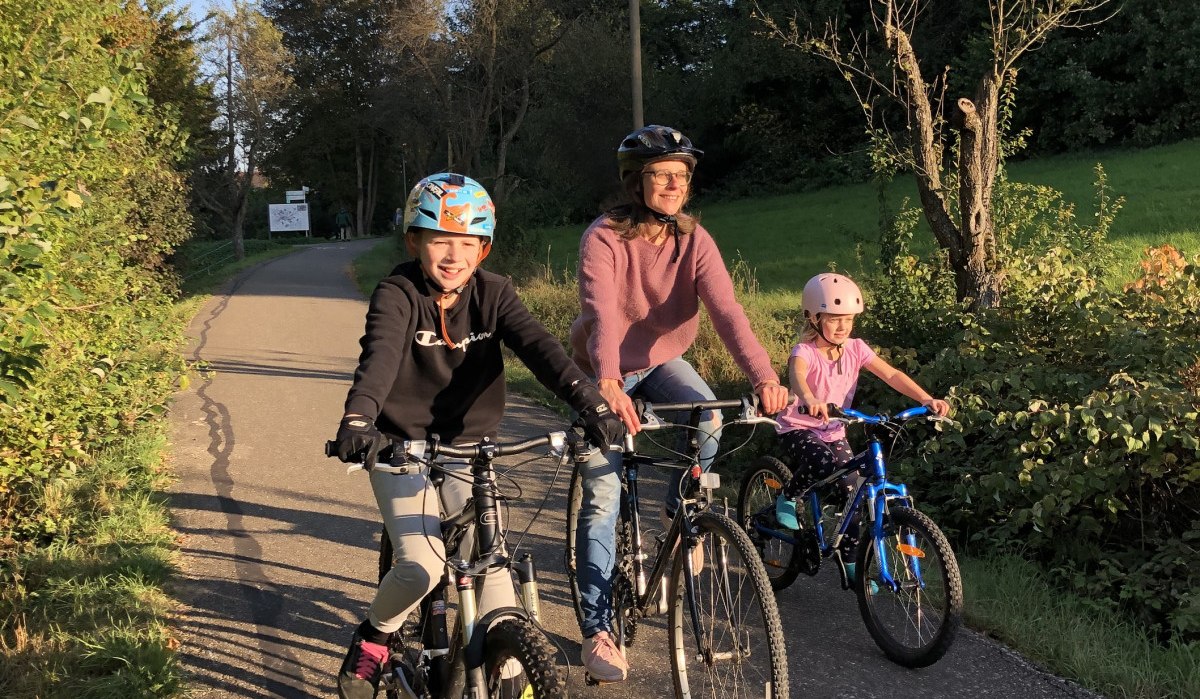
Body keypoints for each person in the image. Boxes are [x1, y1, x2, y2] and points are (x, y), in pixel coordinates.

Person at [331, 172, 625, 699]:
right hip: (399, 446)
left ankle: (508, 675)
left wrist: (591, 402)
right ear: (414, 242)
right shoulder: (398, 293)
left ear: (483, 248)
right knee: (421, 567)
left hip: (470, 449)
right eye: (440, 240)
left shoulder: (495, 293)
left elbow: (542, 350)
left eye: (468, 243)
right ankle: (375, 636)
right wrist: (359, 420)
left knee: (496, 583)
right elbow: (379, 359)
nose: (454, 256)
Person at [568, 124, 789, 682]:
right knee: (601, 498)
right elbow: (603, 312)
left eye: (682, 176)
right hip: (602, 367)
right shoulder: (604, 237)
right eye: (661, 174)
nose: (674, 184)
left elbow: (727, 312)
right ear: (635, 182)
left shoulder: (695, 240)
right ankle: (597, 630)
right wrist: (608, 382)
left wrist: (765, 377)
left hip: (663, 360)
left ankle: (679, 507)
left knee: (708, 416)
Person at [772, 272, 950, 580]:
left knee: (853, 492)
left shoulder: (856, 348)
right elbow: (797, 376)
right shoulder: (805, 351)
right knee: (822, 462)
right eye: (834, 319)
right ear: (814, 318)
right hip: (799, 426)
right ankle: (788, 496)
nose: (843, 326)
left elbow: (891, 374)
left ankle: (852, 563)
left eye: (849, 319)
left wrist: (925, 398)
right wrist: (810, 398)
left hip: (834, 428)